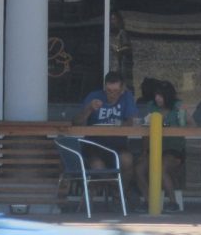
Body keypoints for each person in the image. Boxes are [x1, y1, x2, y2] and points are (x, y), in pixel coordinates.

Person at [73, 71, 139, 203]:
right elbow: (76, 123)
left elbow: (132, 121)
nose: (111, 94)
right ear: (104, 87)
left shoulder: (127, 97)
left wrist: (120, 125)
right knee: (98, 168)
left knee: (127, 160)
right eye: (108, 91)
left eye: (115, 91)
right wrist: (89, 109)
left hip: (117, 145)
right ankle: (116, 186)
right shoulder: (94, 96)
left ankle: (118, 195)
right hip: (94, 145)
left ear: (122, 89)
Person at [135, 80, 186, 212]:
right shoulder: (151, 106)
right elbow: (145, 130)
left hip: (173, 149)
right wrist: (144, 152)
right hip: (153, 149)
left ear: (168, 96)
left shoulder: (178, 106)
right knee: (139, 169)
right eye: (156, 95)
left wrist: (183, 118)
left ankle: (173, 202)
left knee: (161, 168)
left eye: (161, 95)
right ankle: (149, 201)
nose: (157, 98)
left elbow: (192, 126)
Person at [110, 11, 134, 91]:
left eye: (114, 19)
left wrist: (117, 50)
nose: (112, 21)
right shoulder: (118, 33)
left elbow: (127, 46)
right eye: (111, 19)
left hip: (125, 62)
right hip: (121, 61)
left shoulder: (122, 33)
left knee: (126, 81)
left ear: (119, 20)